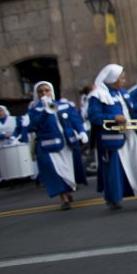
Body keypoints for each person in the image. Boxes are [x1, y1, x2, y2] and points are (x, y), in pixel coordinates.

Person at [87, 64, 137, 210]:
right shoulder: (97, 95)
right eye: (121, 78)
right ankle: (113, 197)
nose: (124, 81)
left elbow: (131, 111)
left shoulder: (121, 92)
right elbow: (94, 116)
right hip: (113, 138)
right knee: (115, 169)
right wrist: (113, 117)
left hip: (131, 134)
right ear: (112, 79)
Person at [27, 81, 88, 210]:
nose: (44, 93)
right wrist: (45, 111)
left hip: (67, 143)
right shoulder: (34, 110)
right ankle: (64, 198)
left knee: (68, 169)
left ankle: (68, 190)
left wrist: (81, 131)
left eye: (46, 90)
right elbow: (34, 126)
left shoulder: (64, 105)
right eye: (40, 91)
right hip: (48, 146)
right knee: (55, 171)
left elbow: (75, 120)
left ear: (52, 91)